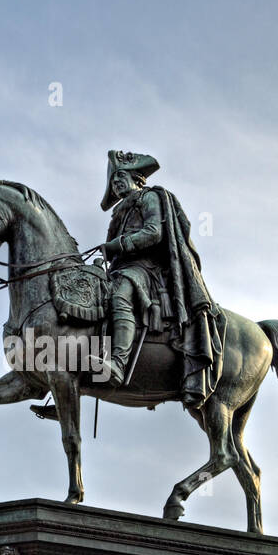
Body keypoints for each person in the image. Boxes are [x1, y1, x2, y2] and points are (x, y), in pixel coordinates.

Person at [97, 150, 222, 407]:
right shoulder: (120, 211)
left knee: (121, 293)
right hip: (122, 267)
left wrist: (118, 244)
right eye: (112, 180)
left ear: (136, 177)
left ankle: (118, 364)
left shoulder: (149, 197)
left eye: (120, 176)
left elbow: (154, 232)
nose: (116, 182)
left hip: (146, 269)